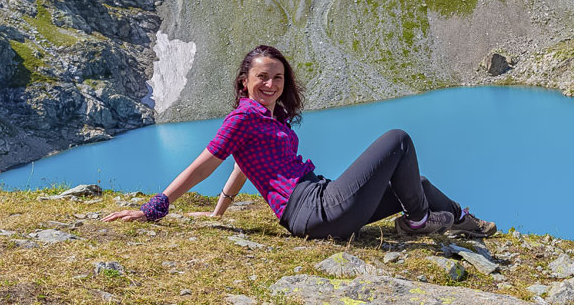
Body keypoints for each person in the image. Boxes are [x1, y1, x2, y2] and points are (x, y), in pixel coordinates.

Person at [104, 44, 497, 240]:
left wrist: (219, 211)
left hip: (320, 203)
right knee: (398, 140)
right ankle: (418, 222)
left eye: (278, 77)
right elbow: (204, 163)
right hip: (313, 209)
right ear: (244, 81)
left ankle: (464, 221)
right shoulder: (242, 116)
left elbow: (244, 164)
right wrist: (155, 208)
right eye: (262, 77)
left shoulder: (266, 120)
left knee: (419, 184)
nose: (271, 84)